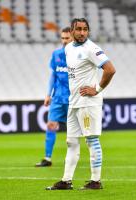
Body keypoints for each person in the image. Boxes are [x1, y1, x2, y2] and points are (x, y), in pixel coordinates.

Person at [46, 18, 116, 190]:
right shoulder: (68, 48)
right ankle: (66, 181)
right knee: (71, 141)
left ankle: (96, 181)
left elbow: (110, 69)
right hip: (74, 102)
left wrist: (97, 89)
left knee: (91, 141)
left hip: (88, 103)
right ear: (72, 31)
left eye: (85, 29)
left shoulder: (91, 49)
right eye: (79, 29)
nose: (83, 32)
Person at [35, 27, 73, 167]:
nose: (64, 41)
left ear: (73, 38)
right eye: (62, 38)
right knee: (51, 124)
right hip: (57, 97)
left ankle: (71, 158)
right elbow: (53, 75)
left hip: (73, 98)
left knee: (73, 130)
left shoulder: (78, 55)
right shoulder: (56, 54)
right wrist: (48, 94)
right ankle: (47, 158)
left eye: (67, 38)